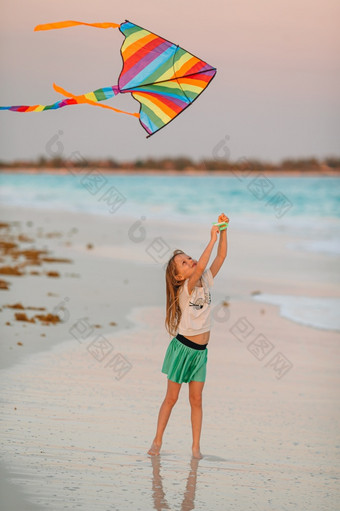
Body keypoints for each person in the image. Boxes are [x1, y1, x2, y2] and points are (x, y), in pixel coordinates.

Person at [147, 213, 229, 459]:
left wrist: (223, 231)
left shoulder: (205, 280)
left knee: (196, 400)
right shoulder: (187, 287)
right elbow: (203, 263)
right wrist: (211, 239)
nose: (191, 261)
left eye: (189, 258)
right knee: (171, 398)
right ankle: (157, 441)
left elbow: (221, 257)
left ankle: (196, 448)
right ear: (178, 277)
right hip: (182, 349)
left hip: (200, 354)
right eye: (184, 263)